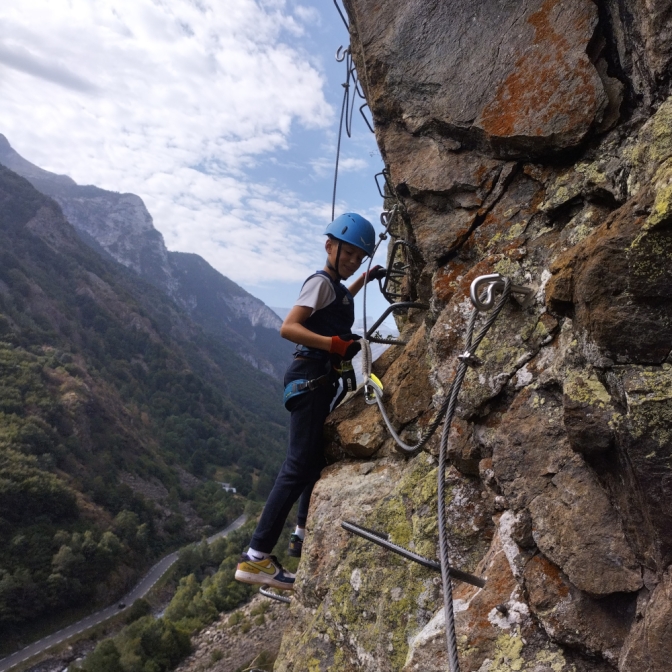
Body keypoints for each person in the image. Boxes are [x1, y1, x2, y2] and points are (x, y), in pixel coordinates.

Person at [234, 213, 386, 590]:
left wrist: (366, 278)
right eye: (348, 253)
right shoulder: (320, 282)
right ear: (330, 246)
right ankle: (255, 557)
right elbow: (290, 327)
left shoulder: (334, 286)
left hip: (316, 380)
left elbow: (338, 302)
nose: (352, 261)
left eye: (358, 258)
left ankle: (301, 532)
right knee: (297, 466)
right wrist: (335, 345)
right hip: (310, 378)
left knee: (313, 460)